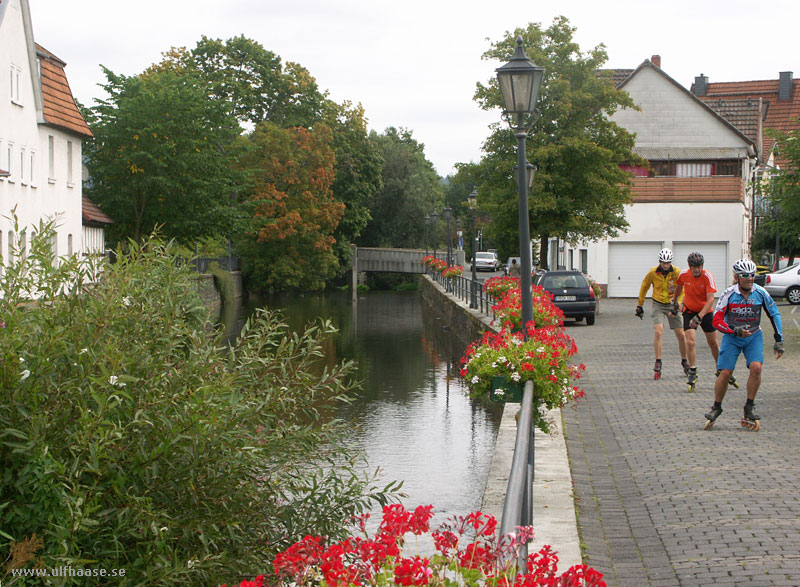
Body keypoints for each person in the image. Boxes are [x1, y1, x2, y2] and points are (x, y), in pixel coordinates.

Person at [704, 259, 784, 431]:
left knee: (756, 368)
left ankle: (749, 406)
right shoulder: (728, 294)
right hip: (732, 337)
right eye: (745, 275)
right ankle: (716, 407)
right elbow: (716, 321)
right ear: (737, 277)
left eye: (752, 275)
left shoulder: (761, 293)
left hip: (754, 336)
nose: (749, 278)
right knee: (725, 372)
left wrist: (779, 339)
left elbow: (774, 313)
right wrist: (733, 330)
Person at [673, 252, 737, 391]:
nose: (697, 269)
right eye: (694, 267)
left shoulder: (707, 276)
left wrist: (700, 316)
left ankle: (720, 368)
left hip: (705, 312)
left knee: (713, 343)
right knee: (690, 341)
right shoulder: (683, 274)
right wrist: (675, 302)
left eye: (699, 266)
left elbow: (710, 300)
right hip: (689, 311)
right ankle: (693, 370)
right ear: (689, 266)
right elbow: (678, 287)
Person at [636, 248, 688, 379]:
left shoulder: (677, 272)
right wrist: (639, 305)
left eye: (668, 263)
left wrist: (678, 304)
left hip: (672, 303)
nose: (666, 265)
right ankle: (658, 361)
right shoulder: (653, 272)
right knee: (658, 331)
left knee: (681, 334)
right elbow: (644, 286)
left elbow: (683, 290)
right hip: (658, 303)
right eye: (664, 263)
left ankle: (685, 361)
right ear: (660, 262)